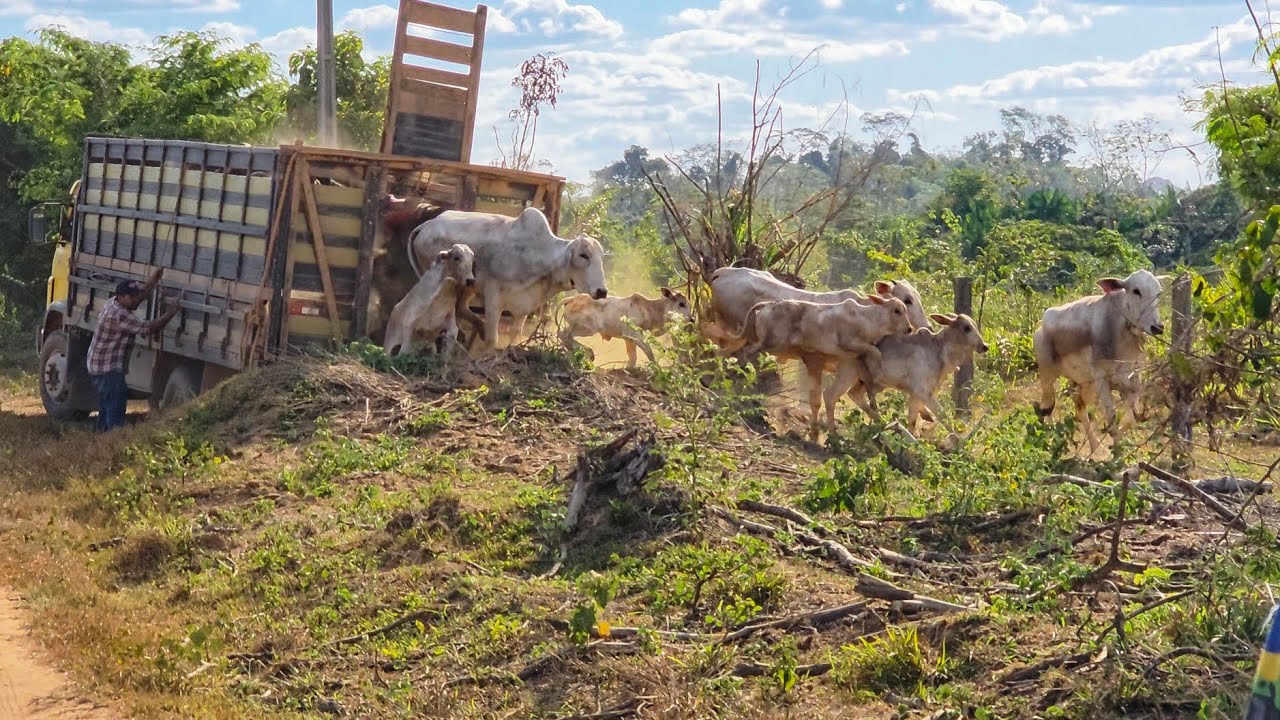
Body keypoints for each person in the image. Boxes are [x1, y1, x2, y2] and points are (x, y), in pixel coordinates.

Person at [86, 268, 180, 431]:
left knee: (106, 407)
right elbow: (148, 328)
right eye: (131, 296)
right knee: (115, 413)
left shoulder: (113, 302)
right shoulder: (118, 314)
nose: (135, 299)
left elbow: (139, 296)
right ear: (121, 297)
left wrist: (154, 279)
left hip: (98, 366)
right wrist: (170, 313)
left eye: (135, 295)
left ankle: (101, 441)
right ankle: (111, 445)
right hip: (107, 369)